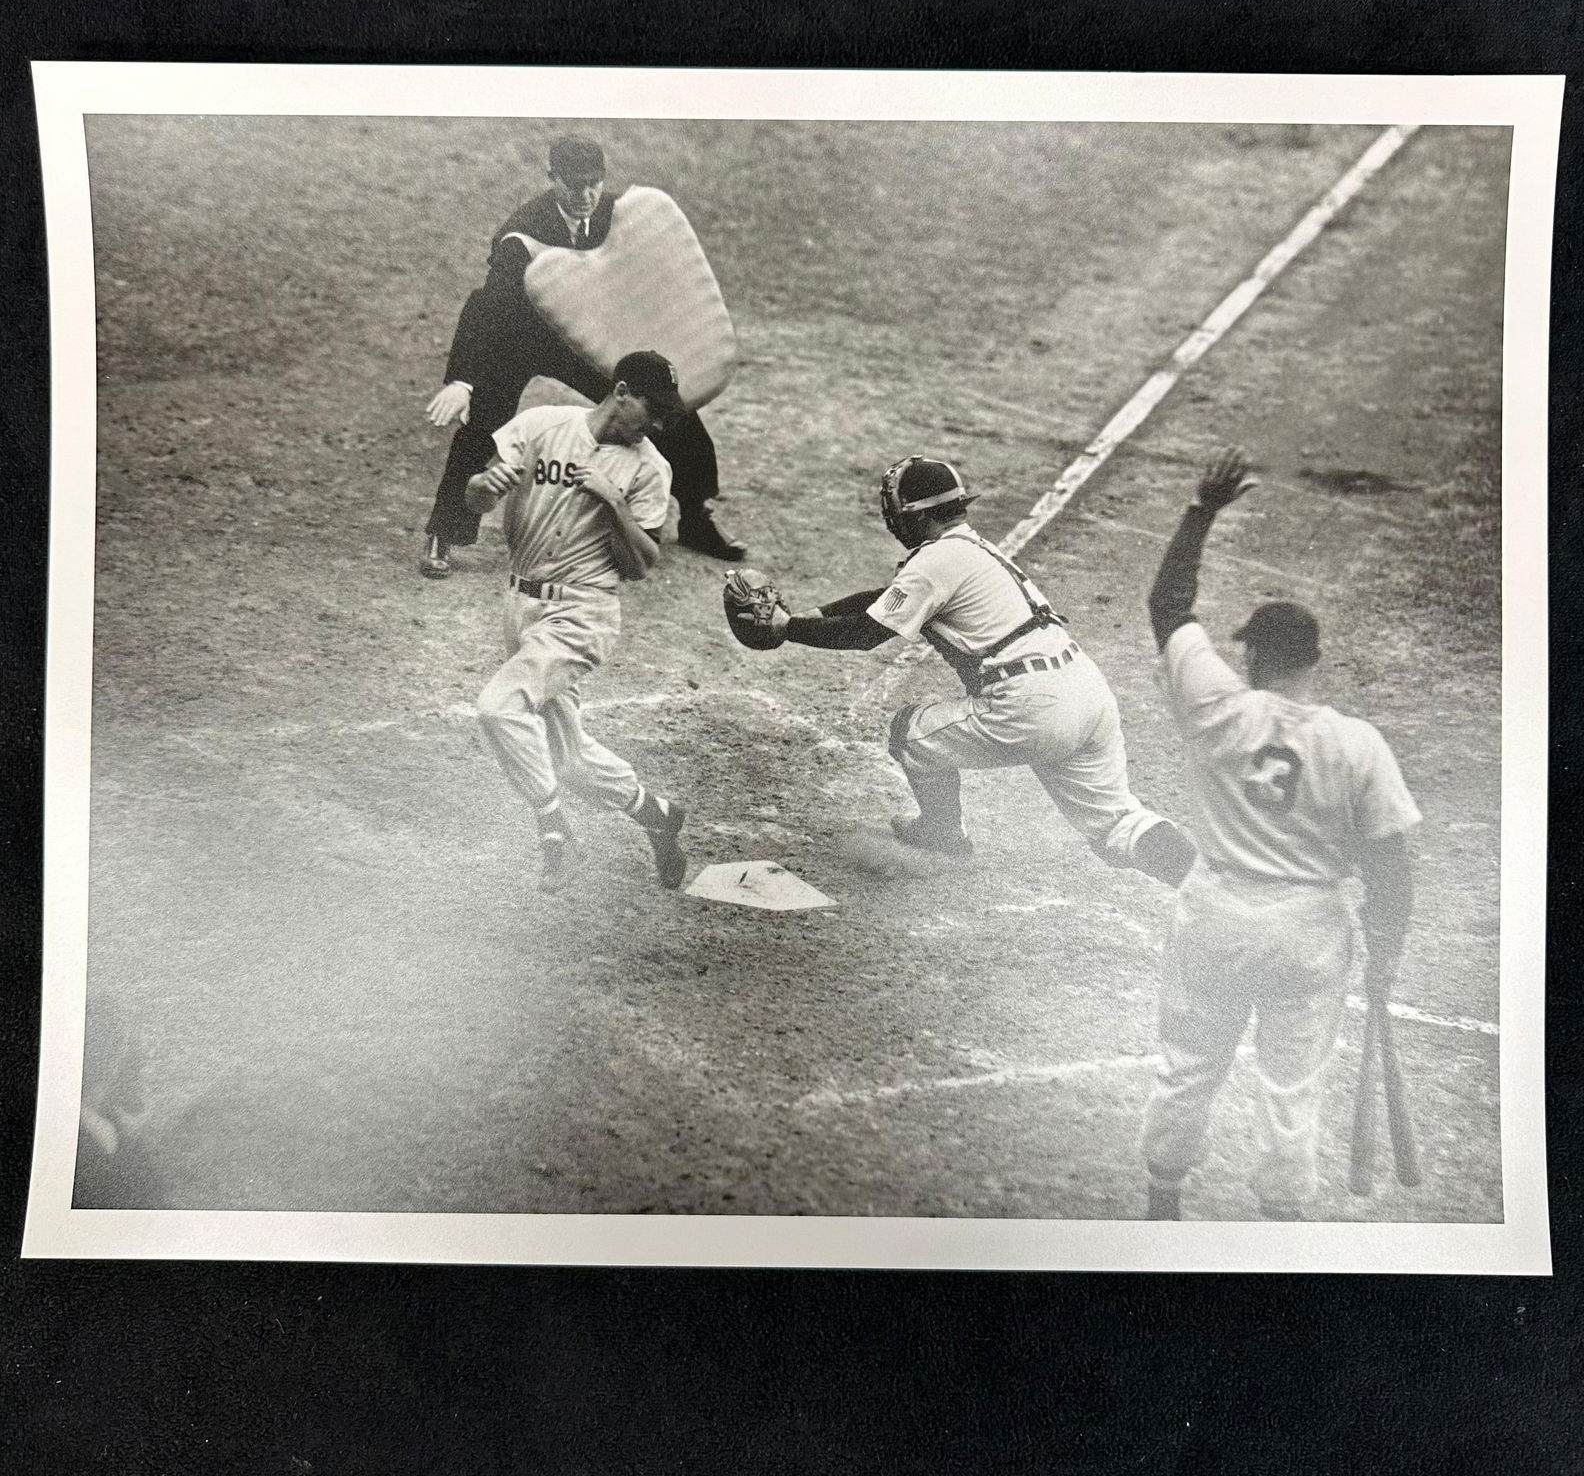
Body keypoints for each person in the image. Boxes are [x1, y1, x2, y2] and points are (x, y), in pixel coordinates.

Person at [1140, 448, 1420, 1221]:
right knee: (1293, 1085)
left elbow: (1169, 606)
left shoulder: (1217, 707)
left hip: (1216, 912)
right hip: (1308, 929)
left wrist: (1203, 509)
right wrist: (1386, 950)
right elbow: (1389, 866)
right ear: (1315, 661)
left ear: (1254, 655)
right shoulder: (1357, 745)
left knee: (1188, 1064)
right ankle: (1283, 1219)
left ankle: (1163, 1199)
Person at [728, 454, 1197, 884]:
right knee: (1118, 825)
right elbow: (883, 599)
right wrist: (808, 615)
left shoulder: (935, 561)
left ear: (914, 515)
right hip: (1086, 692)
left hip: (1030, 705)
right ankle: (1206, 884)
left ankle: (943, 835)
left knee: (910, 734)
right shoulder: (966, 549)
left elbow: (866, 633)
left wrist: (787, 628)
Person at [421, 134, 745, 576]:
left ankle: (696, 516)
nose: (586, 195)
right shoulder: (520, 233)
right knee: (483, 423)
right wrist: (462, 381)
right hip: (521, 336)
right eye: (574, 184)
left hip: (586, 338)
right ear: (552, 177)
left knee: (667, 406)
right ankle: (444, 531)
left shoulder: (619, 215)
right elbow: (485, 308)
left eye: (594, 183)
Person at [467, 350, 691, 893]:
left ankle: (553, 830)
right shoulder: (542, 425)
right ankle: (656, 814)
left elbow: (640, 566)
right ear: (621, 392)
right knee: (565, 757)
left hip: (583, 613)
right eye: (652, 409)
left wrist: (614, 503)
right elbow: (474, 496)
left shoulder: (649, 468)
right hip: (521, 605)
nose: (657, 424)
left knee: (499, 707)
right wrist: (482, 488)